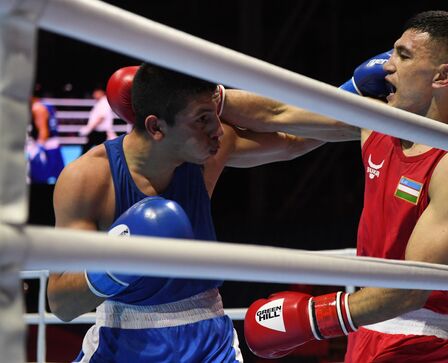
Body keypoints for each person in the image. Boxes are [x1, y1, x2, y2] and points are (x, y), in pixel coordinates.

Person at [222, 10, 448, 362]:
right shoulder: (375, 123)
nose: (385, 66)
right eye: (392, 52)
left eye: (403, 55)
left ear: (443, 76)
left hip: (420, 340)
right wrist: (210, 100)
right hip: (364, 323)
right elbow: (277, 114)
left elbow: (411, 291)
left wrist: (311, 318)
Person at [46, 63, 353, 362]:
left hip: (209, 341)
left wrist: (358, 98)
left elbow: (295, 138)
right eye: (203, 119)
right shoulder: (89, 179)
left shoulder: (207, 155)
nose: (219, 130)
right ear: (156, 127)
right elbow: (61, 302)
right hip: (123, 340)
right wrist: (116, 263)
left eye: (215, 115)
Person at [27, 96, 65, 183]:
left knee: (38, 179)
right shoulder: (48, 104)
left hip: (46, 146)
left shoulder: (37, 107)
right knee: (60, 178)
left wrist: (38, 147)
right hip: (54, 144)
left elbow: (44, 130)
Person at [79, 87, 117, 153]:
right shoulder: (100, 103)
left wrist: (89, 128)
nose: (93, 95)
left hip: (101, 132)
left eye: (95, 93)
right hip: (97, 131)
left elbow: (101, 118)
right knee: (88, 148)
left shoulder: (104, 103)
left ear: (101, 92)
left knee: (89, 148)